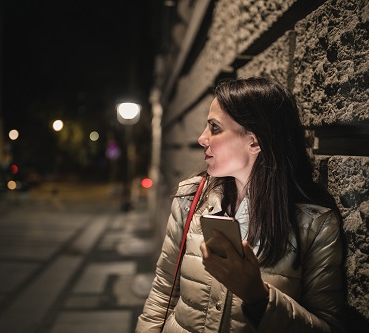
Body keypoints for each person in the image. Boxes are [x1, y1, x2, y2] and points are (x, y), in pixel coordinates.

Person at [135, 77, 346, 333]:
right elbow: (162, 294)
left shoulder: (315, 225)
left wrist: (259, 298)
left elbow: (328, 326)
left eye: (214, 127)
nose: (202, 138)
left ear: (255, 142)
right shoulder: (191, 197)